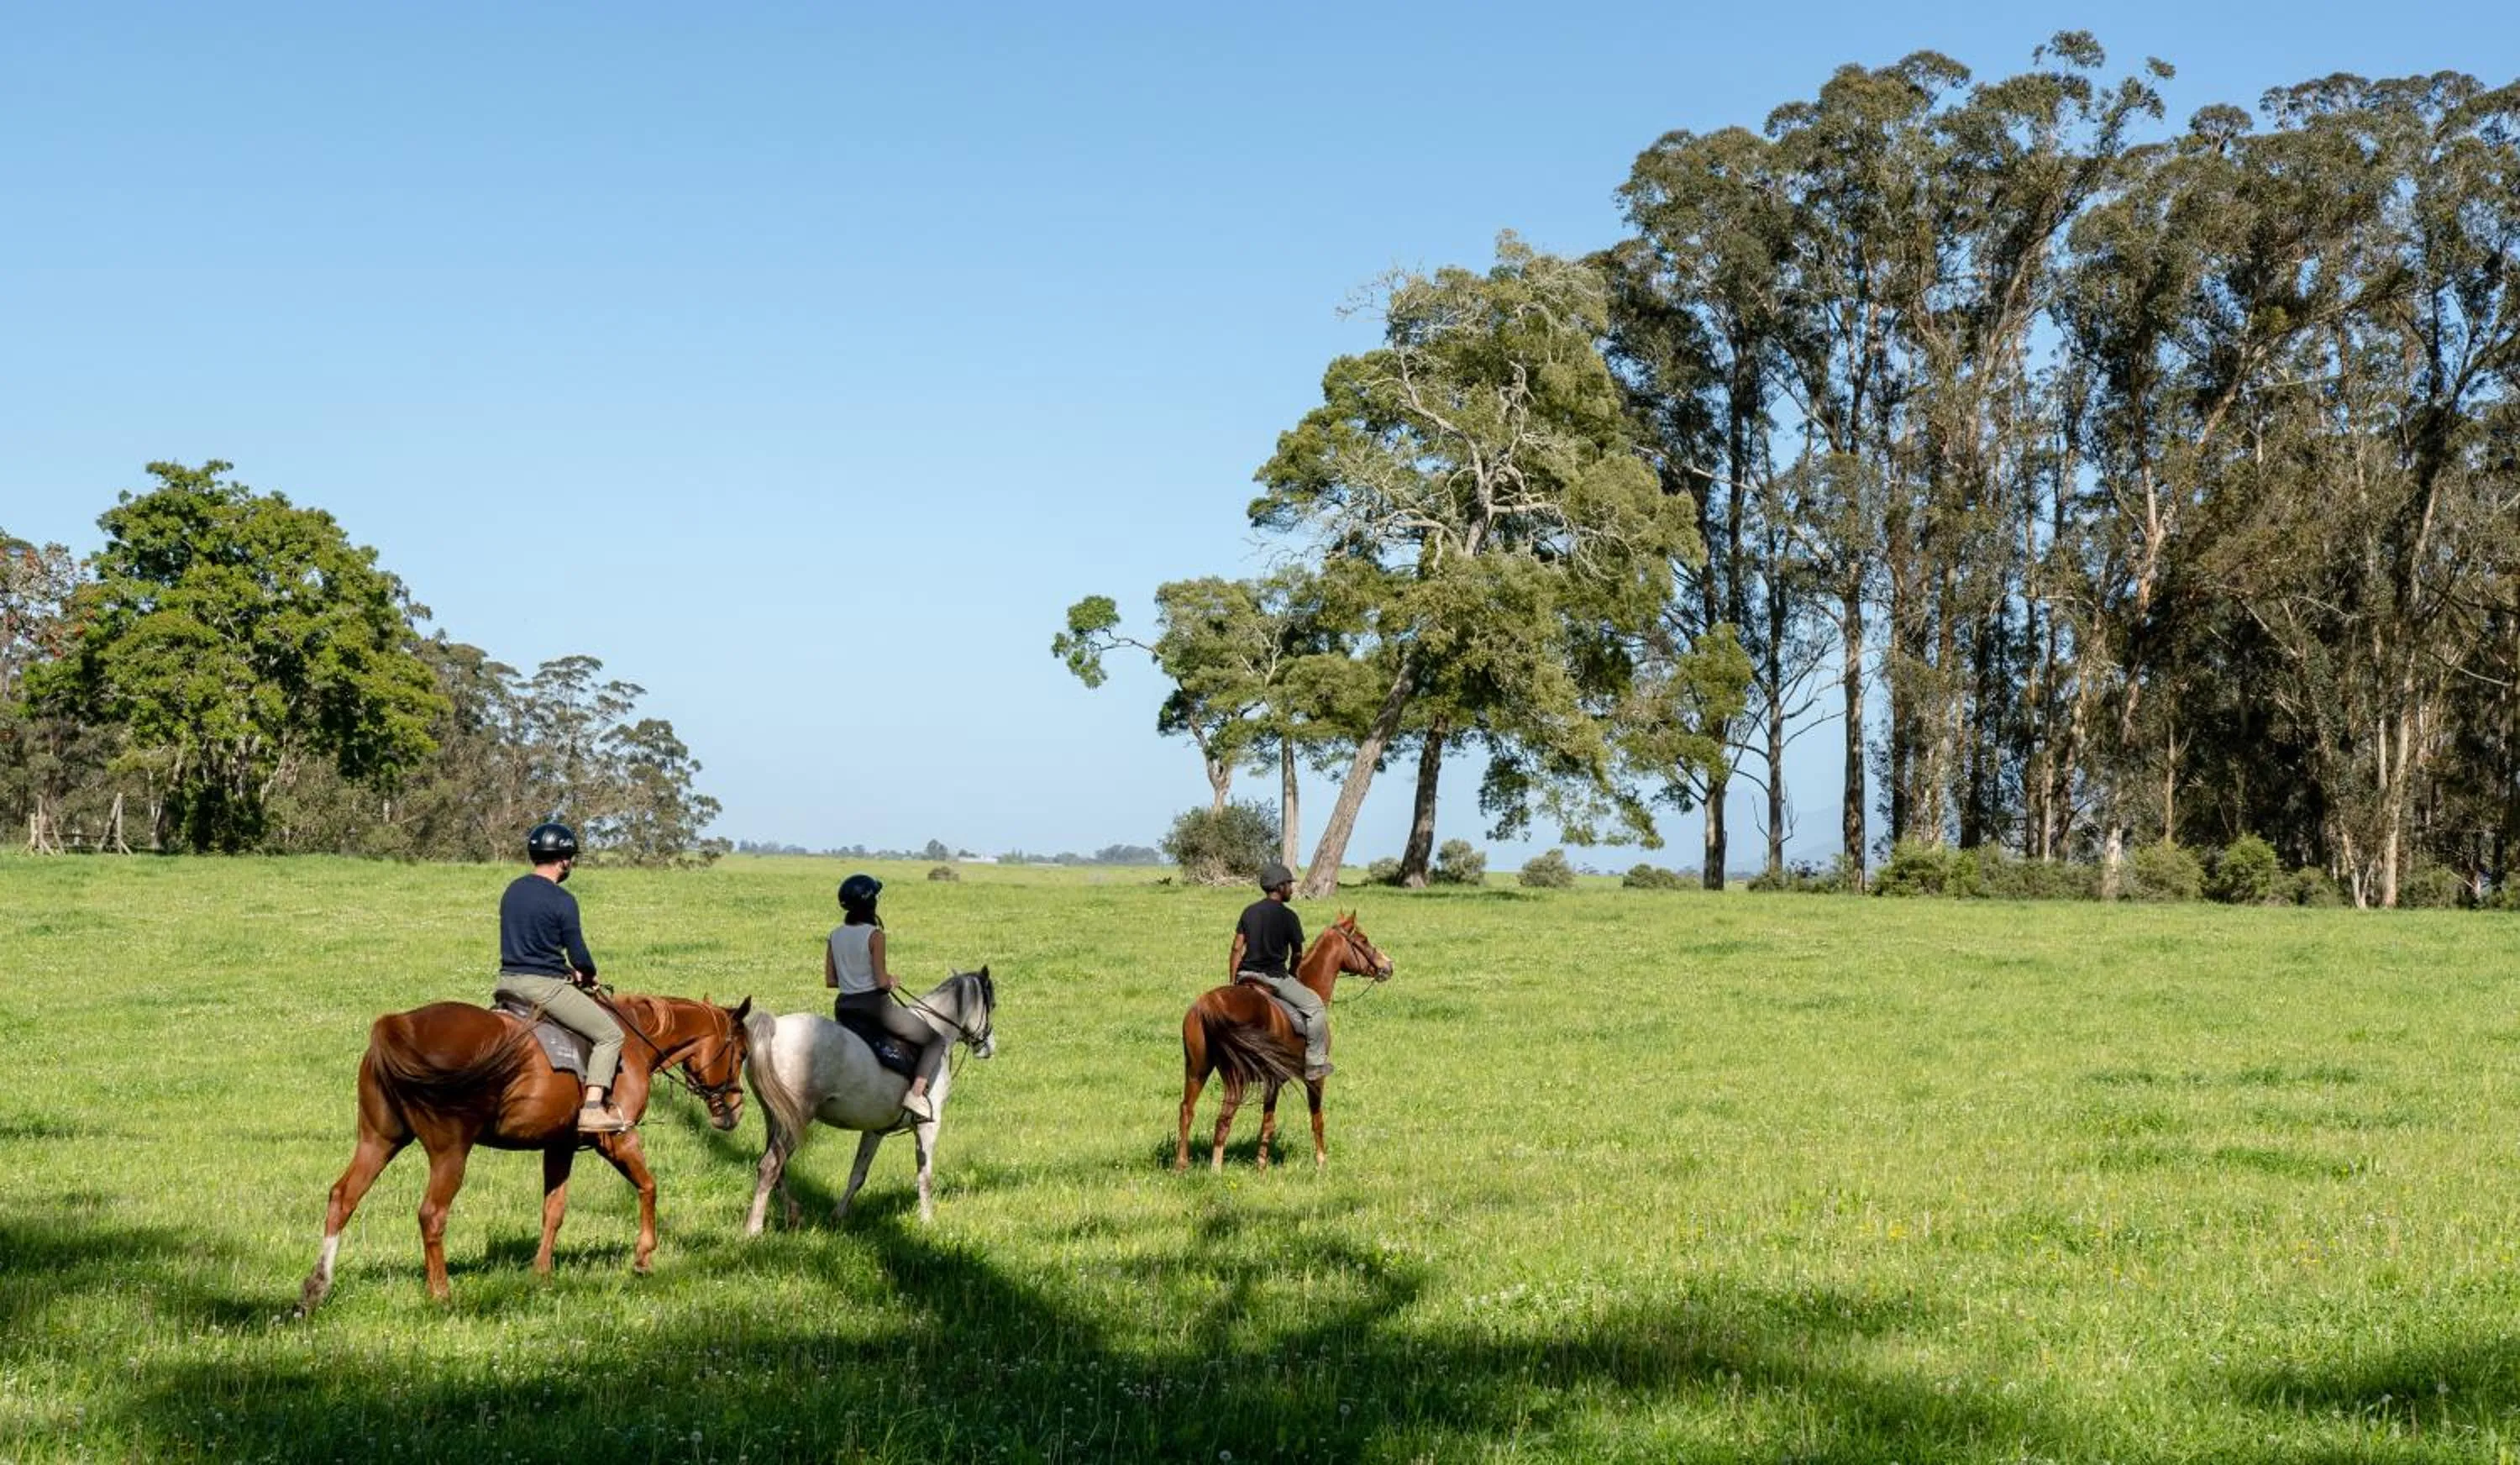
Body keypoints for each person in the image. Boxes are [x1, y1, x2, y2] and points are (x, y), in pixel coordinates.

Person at [493, 822, 631, 1134]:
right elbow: (579, 955)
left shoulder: (513, 890)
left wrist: (565, 970)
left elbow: (530, 946)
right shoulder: (562, 900)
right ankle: (593, 1110)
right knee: (611, 1035)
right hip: (542, 988)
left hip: (506, 983)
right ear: (564, 859)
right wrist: (587, 974)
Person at [825, 874, 945, 1124]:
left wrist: (853, 978)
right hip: (874, 1008)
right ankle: (915, 1095)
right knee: (935, 1041)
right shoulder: (875, 935)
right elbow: (880, 982)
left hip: (844, 1008)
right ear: (871, 904)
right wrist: (892, 981)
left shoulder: (834, 935)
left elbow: (831, 981)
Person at [1230, 862, 1330, 1080]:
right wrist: (1293, 973)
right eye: (1289, 885)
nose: (1292, 889)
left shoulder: (1249, 911)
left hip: (1246, 975)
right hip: (1274, 977)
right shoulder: (1289, 916)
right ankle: (1314, 1064)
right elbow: (1296, 954)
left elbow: (1237, 948)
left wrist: (1233, 983)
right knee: (1315, 1007)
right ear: (1280, 887)